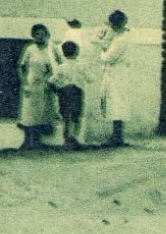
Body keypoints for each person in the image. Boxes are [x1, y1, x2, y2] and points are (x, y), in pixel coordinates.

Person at [16, 24, 57, 150]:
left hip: (45, 85)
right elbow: (21, 66)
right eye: (37, 34)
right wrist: (24, 83)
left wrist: (51, 79)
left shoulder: (51, 49)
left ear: (47, 35)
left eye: (43, 34)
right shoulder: (30, 49)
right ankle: (27, 141)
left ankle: (38, 141)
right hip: (31, 84)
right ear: (33, 35)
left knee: (42, 112)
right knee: (28, 112)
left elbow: (57, 66)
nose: (40, 37)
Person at [97, 9, 132, 147]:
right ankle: (117, 136)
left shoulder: (120, 40)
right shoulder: (121, 38)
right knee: (116, 103)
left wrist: (102, 49)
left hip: (117, 74)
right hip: (119, 73)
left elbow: (108, 58)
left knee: (116, 103)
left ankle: (117, 137)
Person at [49, 38, 92, 148]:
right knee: (76, 117)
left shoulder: (61, 67)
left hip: (64, 93)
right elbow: (91, 79)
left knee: (66, 118)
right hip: (76, 93)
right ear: (77, 52)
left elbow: (51, 81)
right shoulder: (81, 66)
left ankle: (66, 140)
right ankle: (74, 138)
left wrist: (57, 90)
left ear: (63, 53)